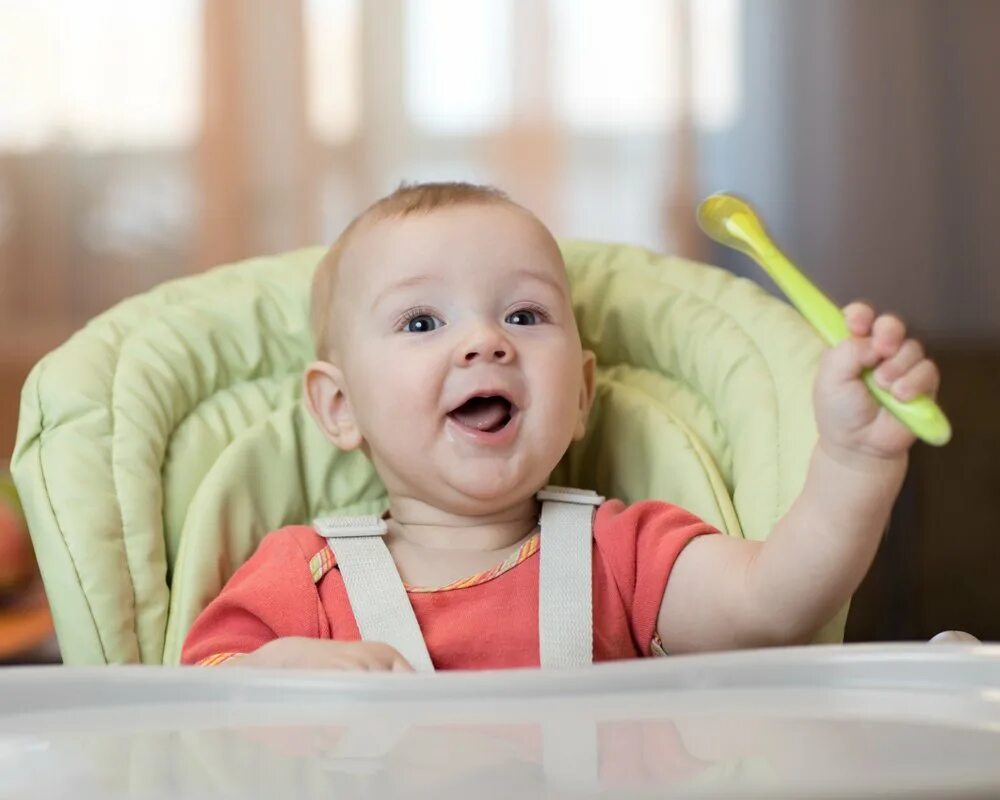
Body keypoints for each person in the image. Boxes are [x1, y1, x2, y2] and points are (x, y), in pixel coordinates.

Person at [181, 182, 940, 670]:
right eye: (421, 321)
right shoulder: (301, 576)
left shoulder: (622, 554)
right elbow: (194, 715)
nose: (486, 341)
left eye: (524, 314)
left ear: (581, 394)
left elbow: (773, 603)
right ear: (339, 408)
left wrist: (854, 460)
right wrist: (279, 675)